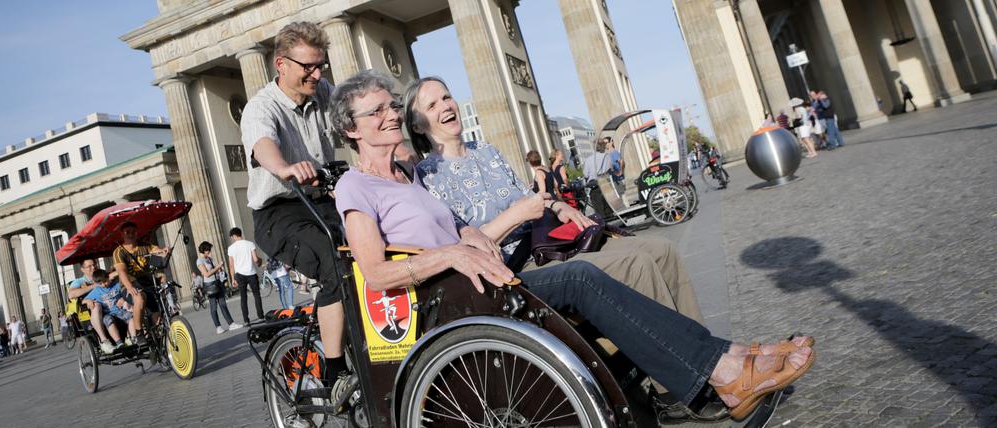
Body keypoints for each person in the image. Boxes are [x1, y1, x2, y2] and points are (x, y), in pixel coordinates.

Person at [330, 70, 815, 420]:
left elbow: (455, 227)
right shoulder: (356, 187)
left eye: (392, 106)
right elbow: (375, 273)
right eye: (377, 111)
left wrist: (471, 236)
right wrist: (454, 253)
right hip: (452, 300)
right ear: (351, 129)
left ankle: (727, 363)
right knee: (582, 277)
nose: (390, 115)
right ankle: (723, 368)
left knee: (629, 261)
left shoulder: (407, 175)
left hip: (485, 279)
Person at [408, 77, 704, 323]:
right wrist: (519, 215)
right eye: (432, 105)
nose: (445, 106)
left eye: (447, 97)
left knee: (662, 249)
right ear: (419, 125)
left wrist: (557, 205)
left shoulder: (486, 149)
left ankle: (706, 358)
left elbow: (529, 198)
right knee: (636, 264)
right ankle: (679, 382)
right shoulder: (428, 176)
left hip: (549, 241)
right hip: (517, 265)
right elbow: (463, 248)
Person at [240, 21, 348, 386]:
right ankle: (335, 370)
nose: (317, 75)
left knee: (375, 240)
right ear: (280, 64)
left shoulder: (323, 92)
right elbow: (263, 145)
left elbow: (354, 120)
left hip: (320, 201)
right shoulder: (260, 108)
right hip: (279, 212)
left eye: (321, 65)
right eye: (308, 67)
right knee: (333, 258)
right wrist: (286, 167)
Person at [112, 221, 169, 346]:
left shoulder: (144, 246)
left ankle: (159, 344)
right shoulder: (119, 252)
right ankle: (138, 333)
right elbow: (121, 272)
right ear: (122, 234)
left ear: (137, 233)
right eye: (127, 232)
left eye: (133, 232)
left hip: (148, 283)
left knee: (157, 314)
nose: (131, 234)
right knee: (140, 298)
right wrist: (130, 287)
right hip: (130, 284)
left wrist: (163, 251)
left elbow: (156, 250)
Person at [83, 269, 136, 353]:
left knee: (130, 317)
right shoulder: (97, 290)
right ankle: (119, 342)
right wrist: (88, 301)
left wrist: (122, 298)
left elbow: (121, 277)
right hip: (108, 313)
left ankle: (132, 338)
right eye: (100, 284)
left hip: (119, 310)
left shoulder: (116, 285)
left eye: (105, 281)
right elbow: (84, 300)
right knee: (109, 321)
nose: (104, 285)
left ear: (108, 278)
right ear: (97, 284)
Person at [198, 241, 241, 334]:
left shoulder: (208, 259)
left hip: (217, 283)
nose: (209, 252)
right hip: (210, 285)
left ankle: (231, 324)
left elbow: (213, 270)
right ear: (204, 250)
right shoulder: (199, 261)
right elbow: (206, 274)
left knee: (223, 304)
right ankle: (218, 327)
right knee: (213, 307)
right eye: (208, 250)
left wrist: (219, 270)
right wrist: (218, 267)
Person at [68, 259, 113, 346]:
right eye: (89, 266)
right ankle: (104, 341)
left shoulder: (103, 275)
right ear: (82, 269)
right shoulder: (79, 282)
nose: (93, 267)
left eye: (94, 264)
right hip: (92, 310)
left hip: (111, 304)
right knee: (96, 306)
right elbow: (71, 294)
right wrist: (93, 286)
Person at [227, 227, 264, 324]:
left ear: (234, 236)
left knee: (243, 297)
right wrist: (260, 261)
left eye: (232, 237)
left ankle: (246, 320)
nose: (232, 239)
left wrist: (232, 279)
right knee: (256, 295)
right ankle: (261, 316)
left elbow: (231, 265)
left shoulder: (231, 248)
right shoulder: (250, 244)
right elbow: (256, 259)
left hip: (240, 275)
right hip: (251, 273)